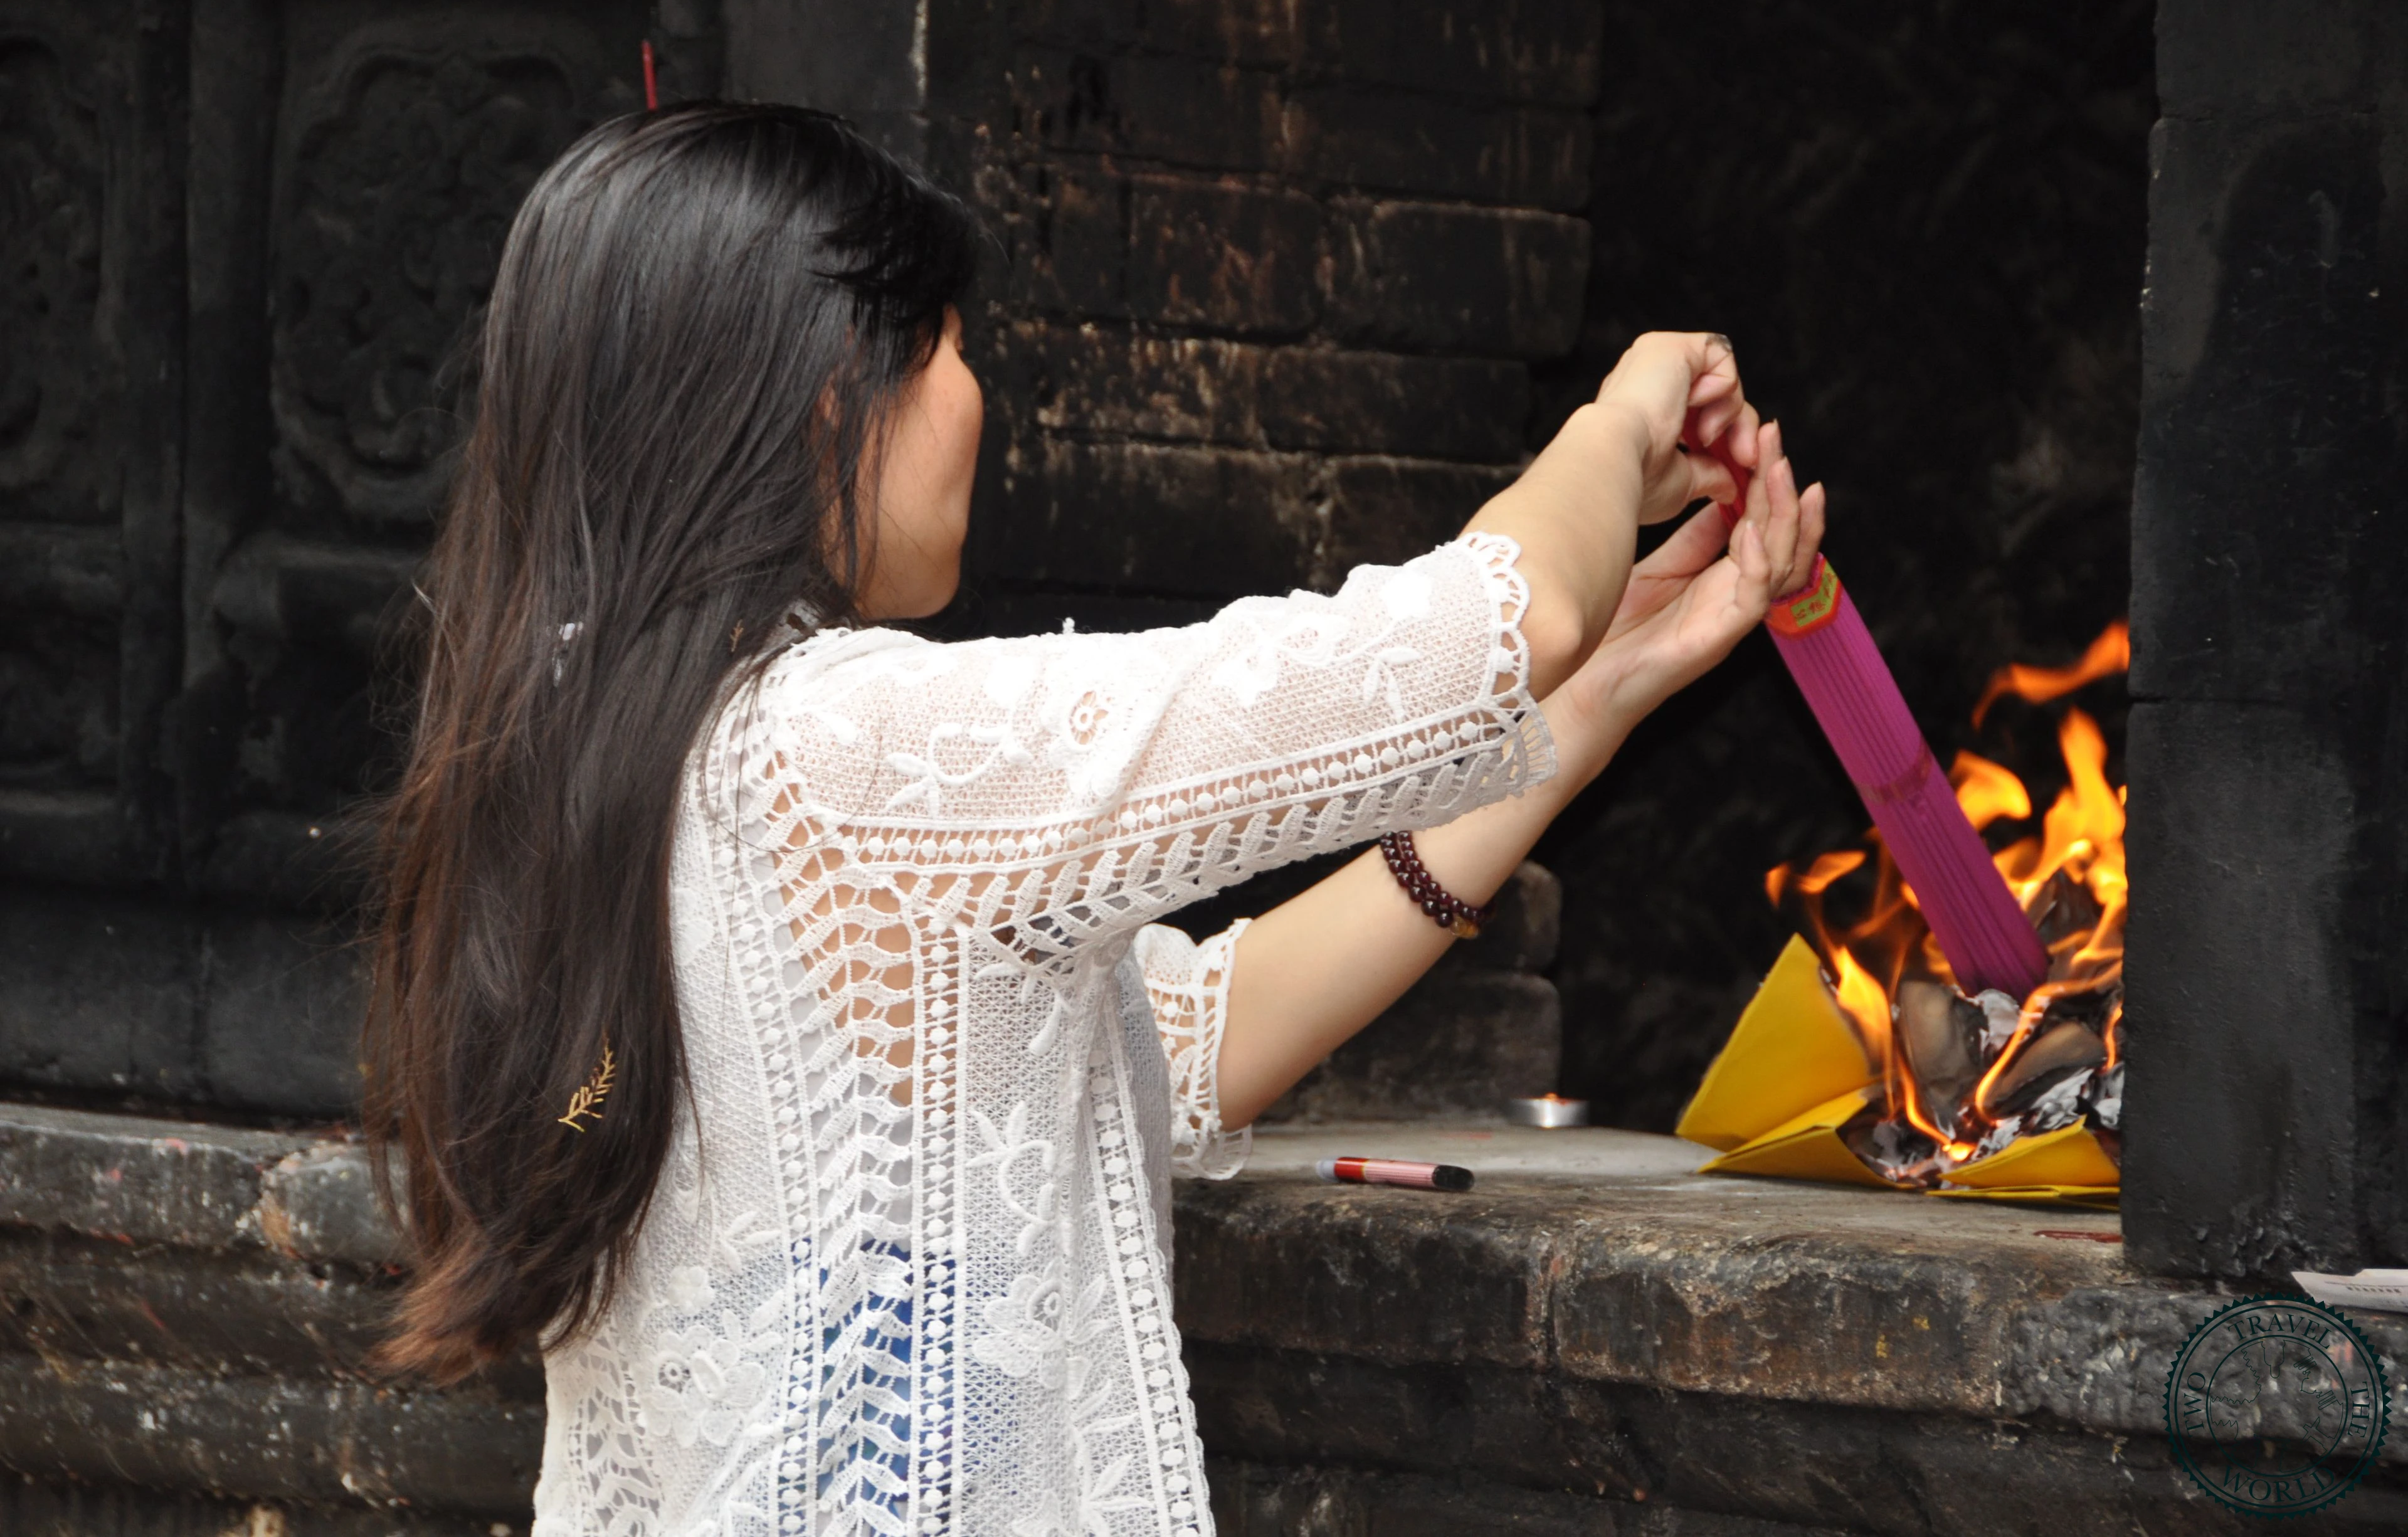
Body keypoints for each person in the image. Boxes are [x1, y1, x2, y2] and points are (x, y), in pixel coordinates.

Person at [364, 102, 1824, 1537]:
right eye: (947, 344)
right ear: (828, 402)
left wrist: (1603, 695)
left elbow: (1192, 1039)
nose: (973, 395)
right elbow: (1489, 627)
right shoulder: (848, 744)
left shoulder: (600, 758)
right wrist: (1621, 418)